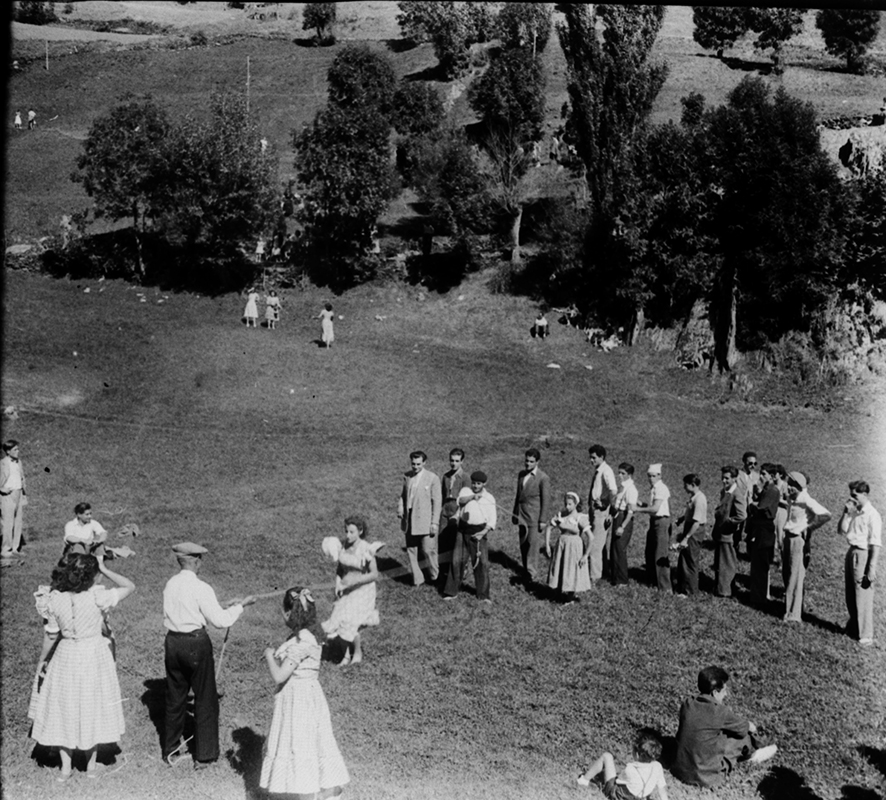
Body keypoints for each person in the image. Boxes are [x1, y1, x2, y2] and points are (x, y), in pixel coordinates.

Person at [28, 553, 135, 781]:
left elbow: (51, 635)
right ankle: (91, 766)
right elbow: (129, 586)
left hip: (66, 654)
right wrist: (104, 568)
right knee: (91, 704)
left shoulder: (55, 598)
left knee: (64, 706)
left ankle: (66, 768)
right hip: (92, 654)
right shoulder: (98, 596)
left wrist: (43, 661)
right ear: (92, 576)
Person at [162, 542, 256, 768]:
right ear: (195, 561)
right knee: (205, 698)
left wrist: (224, 605)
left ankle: (170, 750)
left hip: (173, 642)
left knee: (175, 697)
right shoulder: (201, 587)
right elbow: (221, 621)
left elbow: (189, 607)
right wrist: (241, 606)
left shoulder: (171, 584)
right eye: (200, 559)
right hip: (195, 644)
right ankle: (204, 756)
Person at [260, 587, 350, 798]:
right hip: (305, 695)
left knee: (300, 743)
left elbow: (279, 676)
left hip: (299, 698)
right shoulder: (303, 636)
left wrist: (269, 656)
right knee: (307, 742)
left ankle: (312, 791)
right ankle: (315, 789)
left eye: (284, 611)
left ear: (288, 613)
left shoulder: (303, 640)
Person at [672, 666, 777, 788]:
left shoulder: (687, 703)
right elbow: (746, 727)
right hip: (707, 778)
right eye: (724, 690)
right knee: (744, 737)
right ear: (715, 692)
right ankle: (754, 754)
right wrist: (754, 730)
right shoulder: (720, 711)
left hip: (680, 770)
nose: (726, 694)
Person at [321, 515, 380, 665]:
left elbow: (374, 574)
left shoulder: (366, 548)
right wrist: (338, 583)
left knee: (351, 621)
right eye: (346, 531)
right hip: (346, 589)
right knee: (338, 619)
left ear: (360, 531)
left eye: (352, 532)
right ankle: (346, 655)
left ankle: (357, 653)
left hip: (363, 590)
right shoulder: (344, 546)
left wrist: (355, 581)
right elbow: (340, 569)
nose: (348, 535)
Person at [782, 472, 831, 623]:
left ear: (799, 486)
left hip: (797, 539)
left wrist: (809, 528)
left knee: (795, 576)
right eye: (788, 484)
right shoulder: (792, 498)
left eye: (792, 485)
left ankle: (793, 615)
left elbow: (825, 514)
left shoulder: (805, 499)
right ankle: (788, 609)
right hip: (788, 537)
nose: (788, 487)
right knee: (787, 573)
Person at [838, 481, 881, 646]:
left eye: (855, 495)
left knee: (863, 594)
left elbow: (875, 543)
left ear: (864, 494)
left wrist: (871, 567)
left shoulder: (872, 514)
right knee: (850, 593)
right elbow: (841, 530)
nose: (851, 498)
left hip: (863, 554)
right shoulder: (854, 512)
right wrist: (845, 513)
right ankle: (854, 627)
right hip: (852, 552)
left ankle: (866, 634)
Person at [443, 470, 496, 602]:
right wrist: (472, 497)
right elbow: (460, 501)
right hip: (462, 531)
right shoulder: (466, 491)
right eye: (474, 483)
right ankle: (451, 591)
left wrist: (482, 533)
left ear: (484, 484)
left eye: (479, 484)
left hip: (478, 533)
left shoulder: (489, 498)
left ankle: (483, 595)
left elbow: (492, 520)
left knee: (481, 563)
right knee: (457, 561)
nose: (475, 486)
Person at [577, 729, 669, 799]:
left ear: (637, 754)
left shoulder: (630, 768)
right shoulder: (657, 767)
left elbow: (618, 781)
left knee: (607, 756)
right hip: (641, 797)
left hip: (618, 796)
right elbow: (662, 788)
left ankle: (584, 779)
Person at [398, 451, 442, 587]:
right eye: (413, 464)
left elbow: (437, 502)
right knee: (411, 549)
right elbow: (403, 495)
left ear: (424, 463)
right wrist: (400, 507)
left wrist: (434, 522)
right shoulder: (407, 476)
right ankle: (418, 579)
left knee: (428, 550)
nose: (415, 467)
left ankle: (435, 577)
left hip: (425, 520)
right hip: (409, 519)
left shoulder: (432, 478)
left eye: (418, 464)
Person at [511, 448, 551, 584]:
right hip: (521, 516)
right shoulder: (521, 475)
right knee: (523, 544)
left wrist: (543, 520)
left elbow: (546, 500)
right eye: (526, 461)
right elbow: (518, 496)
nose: (528, 464)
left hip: (534, 517)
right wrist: (515, 513)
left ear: (537, 462)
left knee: (532, 546)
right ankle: (525, 569)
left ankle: (532, 573)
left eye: (531, 461)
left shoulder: (543, 478)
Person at [545, 492, 591, 604]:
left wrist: (585, 555)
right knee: (560, 567)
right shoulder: (561, 515)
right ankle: (558, 592)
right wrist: (547, 545)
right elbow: (549, 528)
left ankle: (570, 597)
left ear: (576, 504)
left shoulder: (580, 518)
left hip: (574, 547)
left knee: (571, 569)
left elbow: (591, 537)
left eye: (570, 504)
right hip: (562, 545)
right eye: (566, 504)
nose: (567, 506)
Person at [635, 464, 672, 593]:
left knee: (660, 553)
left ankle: (665, 587)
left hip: (661, 522)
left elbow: (655, 509)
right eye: (649, 476)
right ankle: (653, 580)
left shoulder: (661, 488)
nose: (651, 478)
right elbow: (653, 507)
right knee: (650, 551)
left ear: (659, 476)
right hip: (654, 521)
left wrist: (638, 509)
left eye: (653, 476)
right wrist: (642, 504)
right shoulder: (654, 488)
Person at [746, 463, 780, 605]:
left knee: (761, 562)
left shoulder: (772, 490)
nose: (761, 476)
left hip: (764, 529)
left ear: (771, 476)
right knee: (757, 562)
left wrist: (751, 505)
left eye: (764, 474)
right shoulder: (766, 489)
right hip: (760, 527)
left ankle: (759, 597)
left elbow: (761, 508)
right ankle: (757, 594)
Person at [671, 474, 708, 596]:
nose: (684, 487)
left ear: (693, 485)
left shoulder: (699, 499)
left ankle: (690, 591)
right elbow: (691, 513)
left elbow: (696, 522)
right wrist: (682, 519)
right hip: (689, 527)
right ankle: (683, 587)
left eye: (685, 485)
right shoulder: (694, 497)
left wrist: (686, 538)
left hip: (694, 531)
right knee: (684, 558)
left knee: (690, 561)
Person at [587, 444, 617, 582]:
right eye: (590, 457)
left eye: (594, 458)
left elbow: (613, 491)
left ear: (601, 457)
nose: (591, 460)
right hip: (595, 509)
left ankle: (594, 577)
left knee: (595, 545)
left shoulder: (606, 471)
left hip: (601, 511)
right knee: (600, 543)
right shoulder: (599, 470)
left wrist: (605, 504)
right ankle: (603, 571)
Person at [440, 448, 470, 584]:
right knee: (443, 541)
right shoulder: (446, 476)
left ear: (462, 461)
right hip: (445, 512)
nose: (454, 463)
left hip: (457, 512)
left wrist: (458, 515)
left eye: (457, 461)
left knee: (457, 543)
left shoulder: (465, 478)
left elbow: (466, 499)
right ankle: (445, 570)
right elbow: (442, 495)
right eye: (452, 460)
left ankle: (462, 569)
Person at [712, 467, 742, 598]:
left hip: (727, 534)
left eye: (727, 478)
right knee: (720, 562)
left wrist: (728, 523)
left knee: (726, 563)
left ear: (735, 479)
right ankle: (720, 587)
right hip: (720, 533)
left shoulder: (737, 494)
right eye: (722, 478)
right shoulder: (725, 491)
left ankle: (725, 591)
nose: (724, 481)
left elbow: (742, 515)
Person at [610, 463, 638, 586]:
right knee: (615, 548)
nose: (620, 475)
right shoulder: (622, 486)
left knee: (620, 549)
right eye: (619, 473)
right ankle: (615, 577)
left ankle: (622, 580)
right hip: (617, 516)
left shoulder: (631, 489)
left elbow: (631, 511)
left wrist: (623, 526)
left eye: (623, 473)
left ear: (629, 475)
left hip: (624, 518)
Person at [0, 439, 27, 562]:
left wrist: (23, 492)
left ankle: (15, 549)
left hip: (18, 493)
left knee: (18, 522)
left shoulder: (18, 462)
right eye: (15, 450)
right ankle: (6, 550)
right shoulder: (2, 463)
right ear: (8, 451)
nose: (18, 451)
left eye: (18, 449)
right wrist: (1, 489)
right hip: (7, 495)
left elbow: (22, 477)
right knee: (7, 523)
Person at [733, 452, 760, 552]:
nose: (753, 466)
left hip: (751, 507)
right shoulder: (737, 475)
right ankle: (735, 548)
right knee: (737, 528)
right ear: (744, 462)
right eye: (750, 463)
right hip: (740, 506)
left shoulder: (756, 476)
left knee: (751, 529)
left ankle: (749, 551)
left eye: (755, 463)